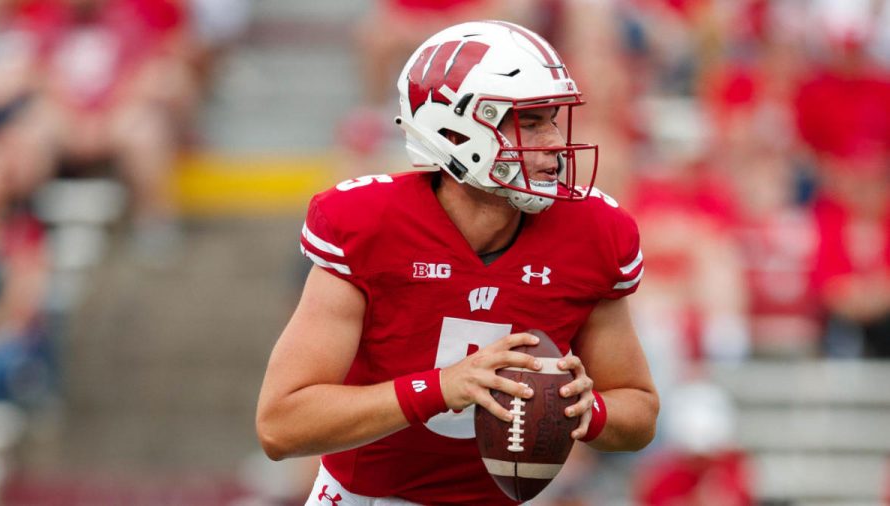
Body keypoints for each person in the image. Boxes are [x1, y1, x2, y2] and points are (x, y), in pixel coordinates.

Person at [256, 21, 659, 505]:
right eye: (530, 123)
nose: (554, 140)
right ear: (454, 128)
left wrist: (584, 411)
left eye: (552, 120)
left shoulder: (593, 231)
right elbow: (281, 425)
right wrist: (442, 387)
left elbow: (638, 412)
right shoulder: (368, 223)